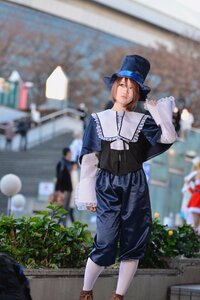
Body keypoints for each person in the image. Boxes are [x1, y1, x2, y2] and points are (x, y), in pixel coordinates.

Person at [75, 54, 177, 300]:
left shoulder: (143, 121)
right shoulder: (97, 120)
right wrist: (87, 194)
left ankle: (118, 296)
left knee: (133, 241)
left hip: (135, 184)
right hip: (107, 183)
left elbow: (169, 137)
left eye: (132, 88)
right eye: (122, 84)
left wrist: (158, 111)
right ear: (114, 86)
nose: (125, 91)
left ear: (137, 93)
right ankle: (86, 291)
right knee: (106, 240)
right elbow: (89, 160)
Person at [55, 147, 74, 226]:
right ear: (67, 153)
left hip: (68, 189)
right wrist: (59, 190)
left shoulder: (69, 163)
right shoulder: (62, 163)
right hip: (63, 189)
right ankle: (62, 224)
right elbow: (59, 177)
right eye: (70, 153)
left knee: (66, 208)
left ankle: (61, 223)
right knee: (63, 208)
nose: (71, 154)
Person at [185, 156, 200, 236]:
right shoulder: (195, 173)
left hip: (196, 199)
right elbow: (187, 181)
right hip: (196, 199)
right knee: (195, 224)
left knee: (197, 225)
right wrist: (188, 186)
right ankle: (194, 240)